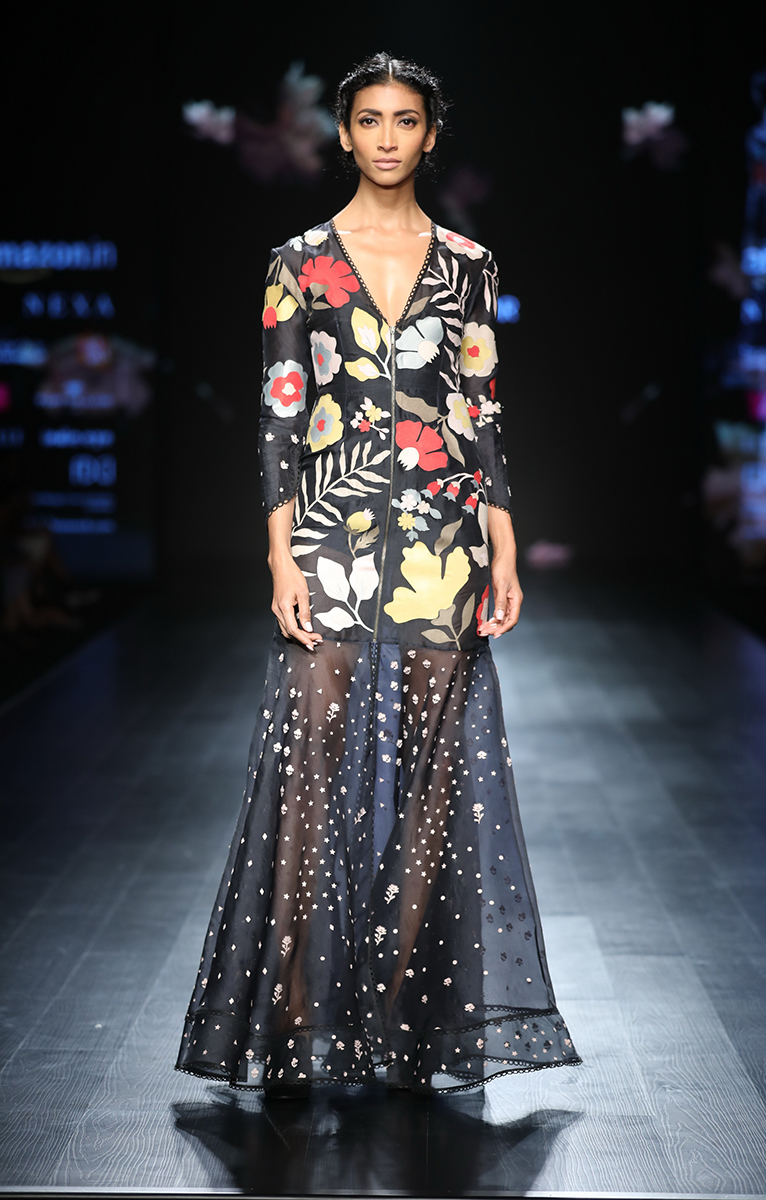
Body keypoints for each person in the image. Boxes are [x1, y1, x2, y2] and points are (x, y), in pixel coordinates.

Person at [175, 52, 581, 1094]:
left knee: (436, 781)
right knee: (310, 767)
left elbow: (480, 412)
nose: (388, 137)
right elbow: (279, 417)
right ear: (344, 133)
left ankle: (406, 1016)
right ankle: (299, 1013)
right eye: (369, 119)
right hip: (329, 531)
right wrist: (279, 555)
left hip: (442, 541)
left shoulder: (470, 265)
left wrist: (503, 542)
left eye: (406, 120)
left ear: (430, 135)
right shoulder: (299, 262)